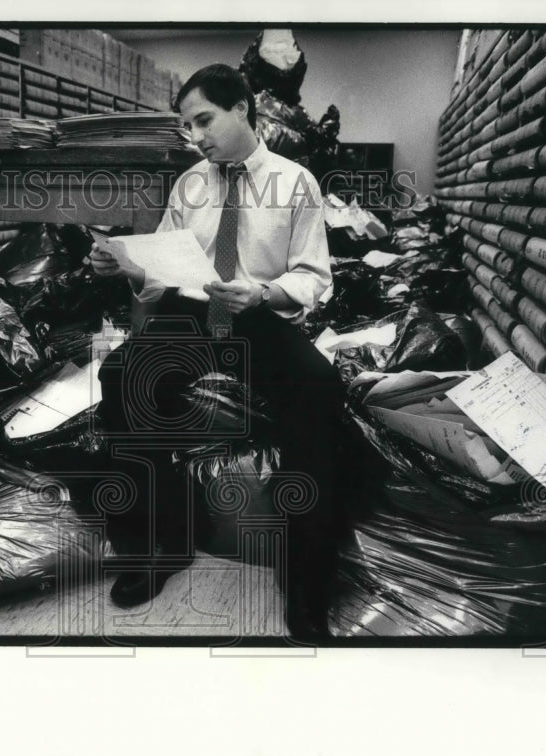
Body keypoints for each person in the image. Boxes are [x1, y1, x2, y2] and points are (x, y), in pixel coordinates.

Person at [89, 64, 344, 642]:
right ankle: (160, 544)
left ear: (243, 110)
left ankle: (307, 586)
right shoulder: (190, 185)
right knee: (124, 376)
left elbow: (313, 275)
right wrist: (130, 267)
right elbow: (164, 268)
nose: (195, 137)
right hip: (194, 313)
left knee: (320, 395)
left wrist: (265, 290)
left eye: (203, 120)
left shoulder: (296, 181)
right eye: (186, 127)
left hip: (257, 313)